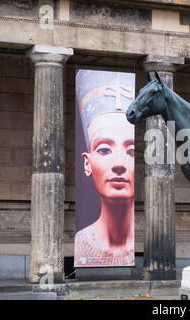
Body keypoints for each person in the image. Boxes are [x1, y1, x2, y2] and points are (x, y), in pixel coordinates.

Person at [74, 70, 136, 267]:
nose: (119, 164)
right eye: (104, 149)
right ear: (86, 163)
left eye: (132, 151)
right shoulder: (80, 242)